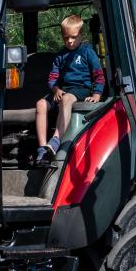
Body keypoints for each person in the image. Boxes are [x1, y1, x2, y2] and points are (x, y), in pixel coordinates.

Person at [34, 14, 104, 164]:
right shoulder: (61, 55)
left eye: (73, 37)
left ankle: (56, 140)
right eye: (66, 38)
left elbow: (98, 75)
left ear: (81, 35)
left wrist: (96, 95)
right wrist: (55, 89)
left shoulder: (87, 52)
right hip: (62, 90)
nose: (70, 41)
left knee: (66, 99)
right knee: (40, 104)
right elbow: (52, 77)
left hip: (80, 89)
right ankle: (42, 149)